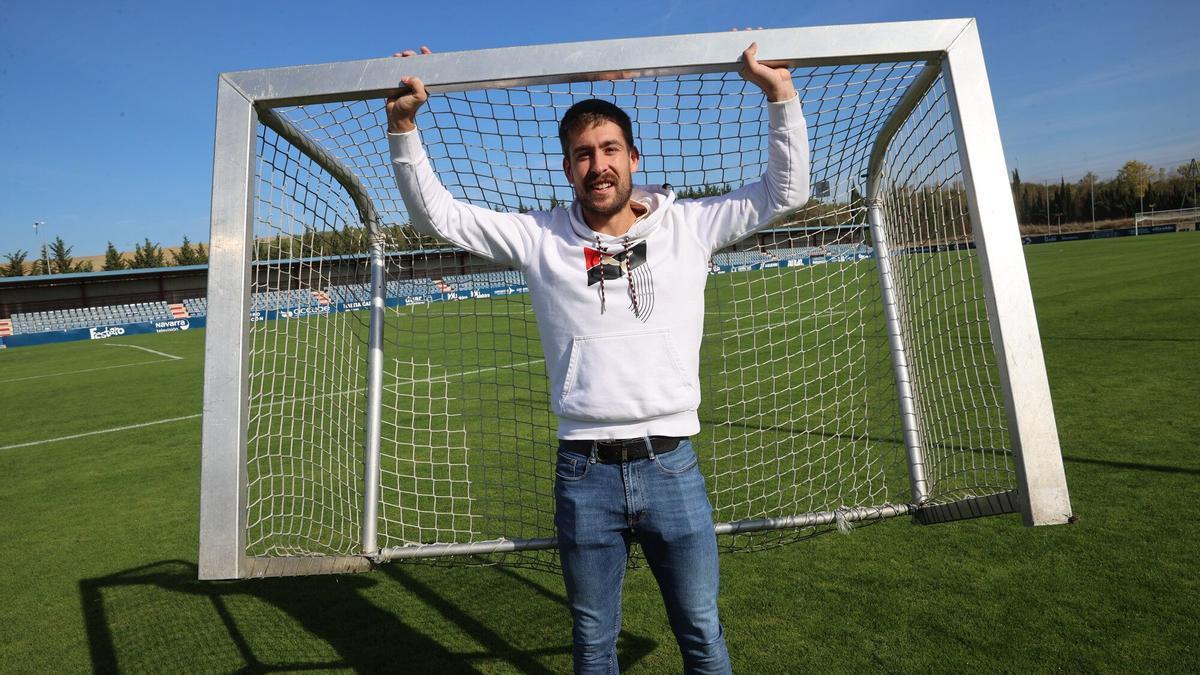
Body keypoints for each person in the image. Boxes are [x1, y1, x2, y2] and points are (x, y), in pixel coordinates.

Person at [386, 42, 808, 674]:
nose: (598, 165)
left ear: (633, 157)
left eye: (610, 149)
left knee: (700, 629)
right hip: (585, 474)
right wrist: (403, 128)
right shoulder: (539, 238)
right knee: (592, 641)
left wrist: (779, 96)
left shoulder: (689, 226)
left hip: (672, 466)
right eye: (584, 154)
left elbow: (786, 191)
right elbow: (437, 215)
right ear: (567, 167)